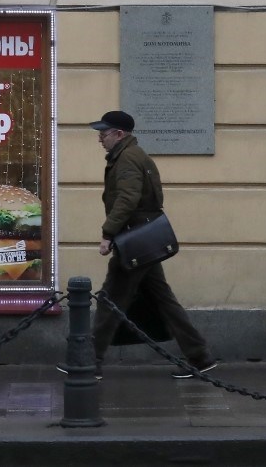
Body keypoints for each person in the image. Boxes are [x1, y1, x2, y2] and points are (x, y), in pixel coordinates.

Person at [84, 110, 217, 379]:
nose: (100, 138)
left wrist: (108, 234)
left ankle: (87, 361)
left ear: (119, 134)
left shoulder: (127, 159)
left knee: (111, 298)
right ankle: (200, 358)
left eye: (104, 133)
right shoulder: (133, 155)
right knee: (163, 300)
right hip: (143, 239)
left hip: (133, 240)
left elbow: (128, 198)